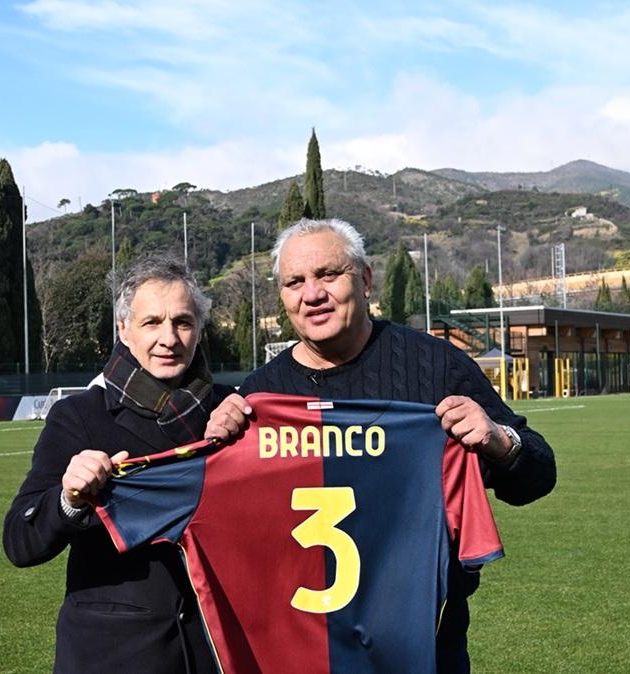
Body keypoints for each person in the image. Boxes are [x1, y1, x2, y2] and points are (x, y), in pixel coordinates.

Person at [205, 218, 557, 672]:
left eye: (328, 275)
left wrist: (498, 439)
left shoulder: (435, 368)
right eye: (295, 282)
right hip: (299, 651)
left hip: (421, 648)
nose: (312, 294)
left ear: (366, 279)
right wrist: (218, 447)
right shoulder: (256, 399)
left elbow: (538, 476)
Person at [3, 254, 233, 674]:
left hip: (215, 653)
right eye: (152, 323)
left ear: (199, 329)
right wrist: (69, 500)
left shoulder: (232, 411)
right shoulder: (80, 416)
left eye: (182, 322)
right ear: (123, 330)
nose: (169, 338)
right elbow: (20, 541)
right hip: (111, 656)